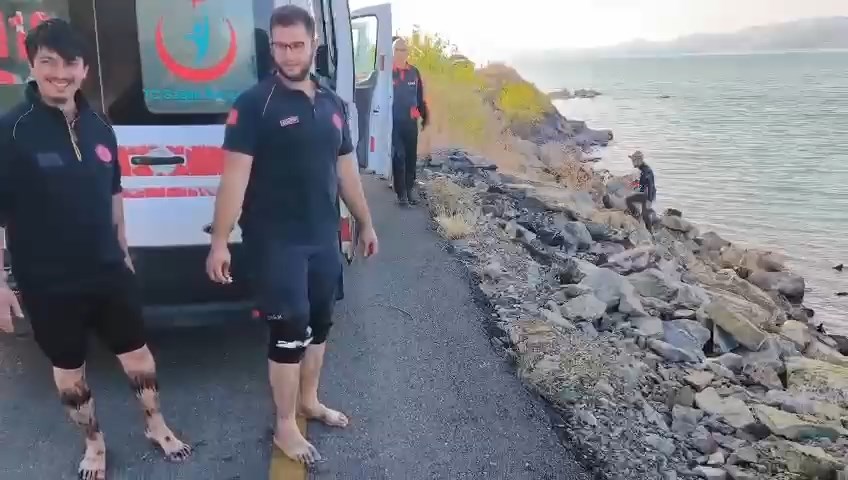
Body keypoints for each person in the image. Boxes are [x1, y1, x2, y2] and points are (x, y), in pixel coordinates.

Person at [0, 19, 191, 479]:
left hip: (107, 270)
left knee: (139, 356)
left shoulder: (100, 125)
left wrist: (122, 251)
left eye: (70, 63)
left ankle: (156, 425)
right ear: (33, 66)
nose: (60, 73)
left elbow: (113, 193)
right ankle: (94, 444)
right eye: (48, 62)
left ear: (84, 69)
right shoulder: (11, 131)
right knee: (70, 371)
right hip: (47, 281)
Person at [205, 5, 378, 465]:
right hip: (275, 242)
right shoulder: (254, 105)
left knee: (320, 324)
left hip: (322, 237)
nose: (287, 55)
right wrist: (220, 240)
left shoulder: (332, 104)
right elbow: (234, 179)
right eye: (279, 46)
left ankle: (309, 401)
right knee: (288, 330)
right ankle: (284, 424)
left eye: (296, 45)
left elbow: (346, 171)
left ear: (314, 45)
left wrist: (365, 221)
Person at [391, 37, 429, 206]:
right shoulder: (387, 72)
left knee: (411, 158)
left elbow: (420, 96)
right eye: (397, 50)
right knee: (399, 156)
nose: (401, 53)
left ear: (407, 53)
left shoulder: (414, 72)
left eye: (403, 50)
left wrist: (424, 115)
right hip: (394, 122)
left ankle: (409, 189)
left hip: (410, 122)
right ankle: (401, 194)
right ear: (393, 52)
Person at [625, 150, 657, 231]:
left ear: (638, 160)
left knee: (645, 215)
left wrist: (649, 200)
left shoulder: (646, 171)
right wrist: (634, 184)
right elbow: (641, 183)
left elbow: (646, 186)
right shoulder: (642, 169)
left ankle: (650, 232)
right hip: (645, 194)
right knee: (628, 200)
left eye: (633, 160)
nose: (632, 162)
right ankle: (637, 214)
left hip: (648, 195)